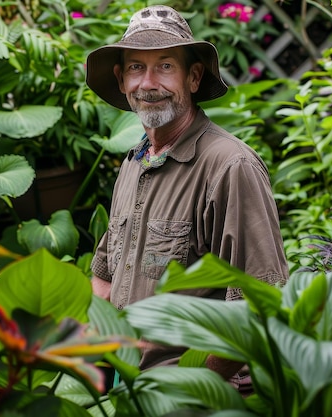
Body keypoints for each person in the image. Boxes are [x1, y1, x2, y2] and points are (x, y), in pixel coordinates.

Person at [85, 5, 289, 383]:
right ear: (120, 79)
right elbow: (104, 276)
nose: (148, 83)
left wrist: (195, 389)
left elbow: (260, 302)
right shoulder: (135, 161)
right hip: (131, 388)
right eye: (135, 68)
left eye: (165, 66)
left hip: (196, 394)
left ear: (193, 77)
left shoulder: (229, 166)